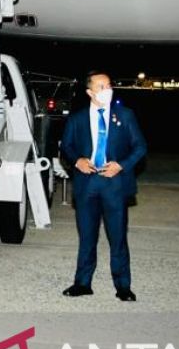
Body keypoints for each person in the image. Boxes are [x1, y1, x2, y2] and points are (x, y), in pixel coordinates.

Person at [59, 71, 147, 301]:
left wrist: (122, 165)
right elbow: (66, 147)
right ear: (90, 92)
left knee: (118, 238)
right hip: (87, 185)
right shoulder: (77, 119)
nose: (107, 89)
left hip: (115, 186)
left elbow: (140, 147)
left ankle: (123, 286)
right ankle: (82, 283)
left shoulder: (125, 116)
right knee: (87, 237)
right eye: (101, 86)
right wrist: (77, 160)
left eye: (109, 85)